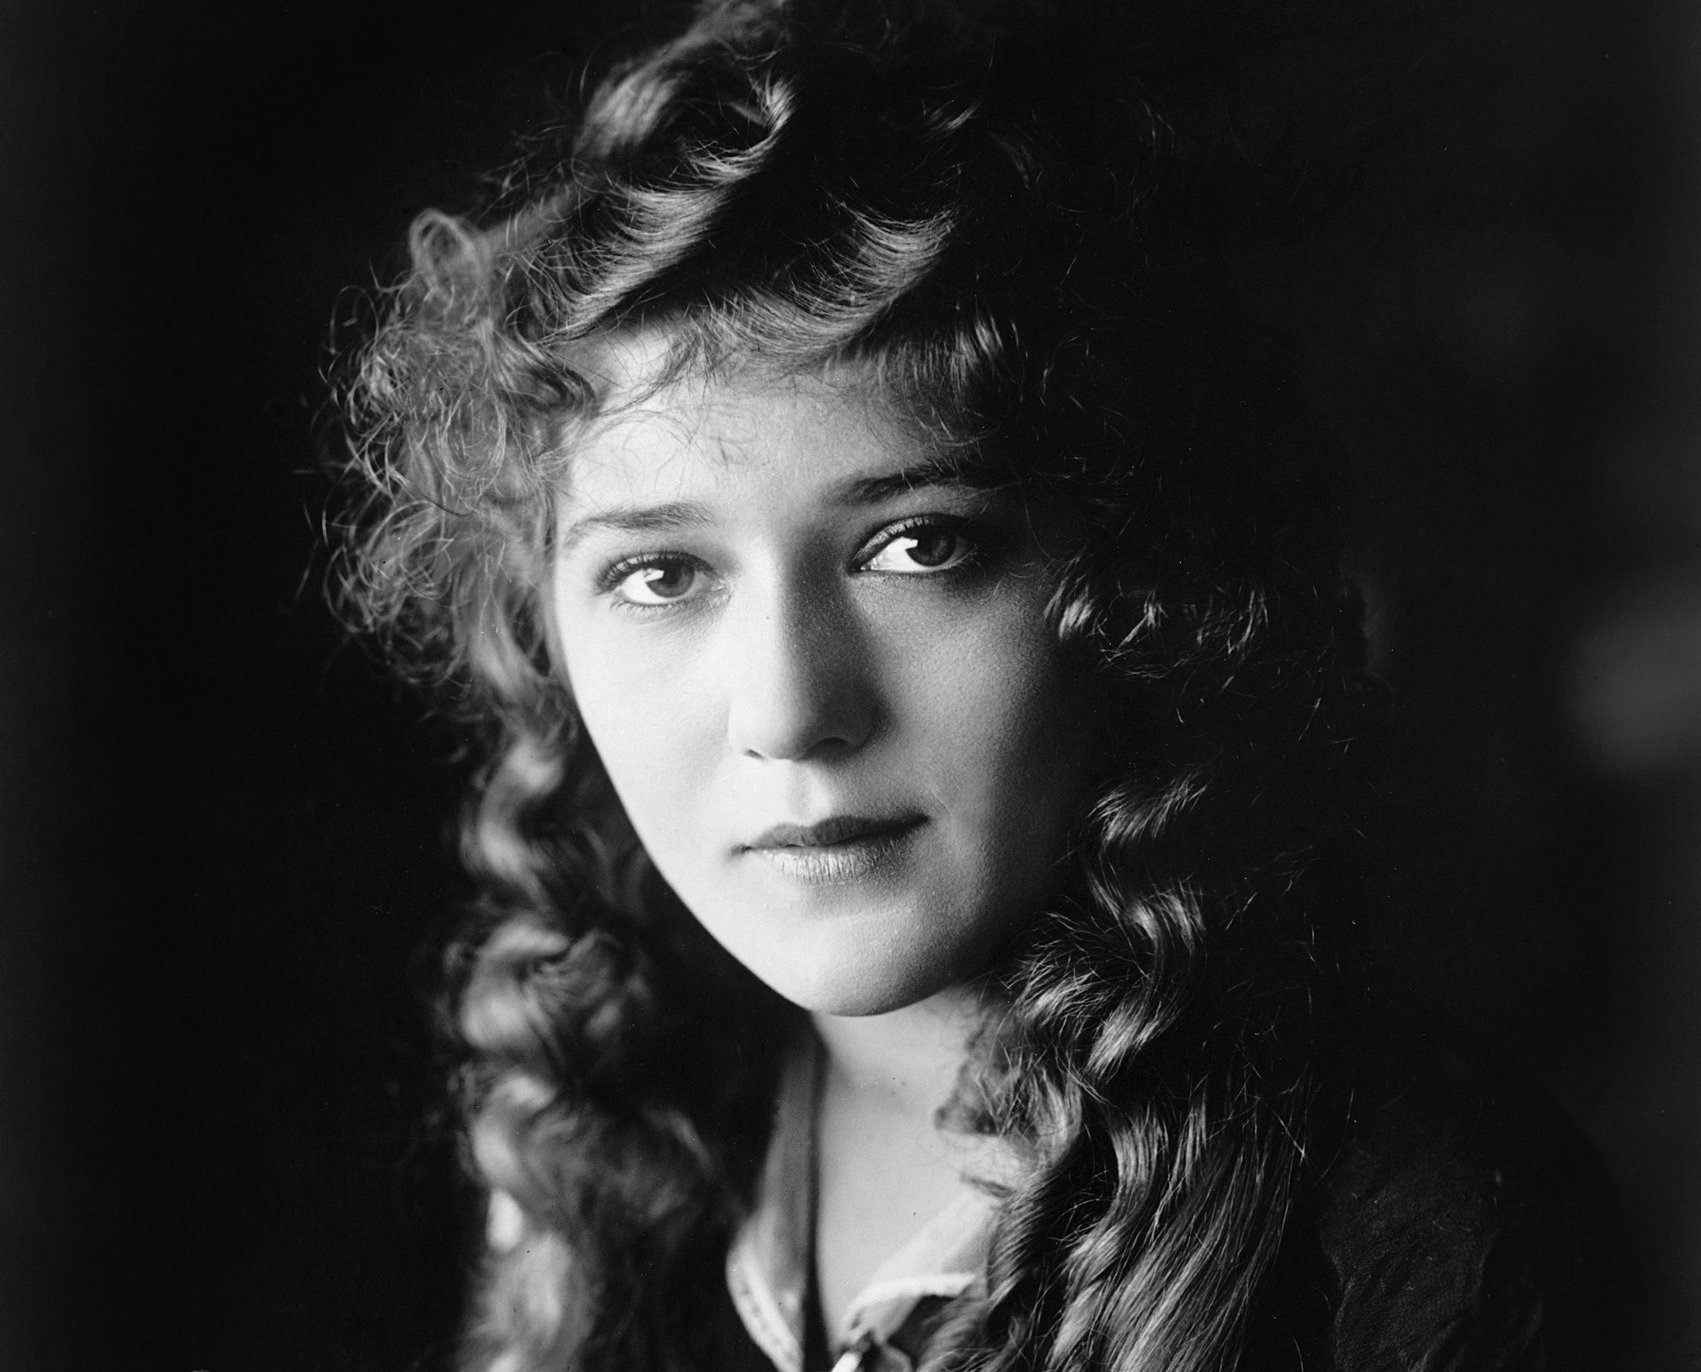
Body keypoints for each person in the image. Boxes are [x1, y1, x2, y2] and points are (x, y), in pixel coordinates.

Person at [338, 1, 1611, 1368]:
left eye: (916, 547)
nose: (786, 713)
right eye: (660, 576)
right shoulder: (609, 1151)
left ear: (1131, 592)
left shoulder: (1410, 1239)